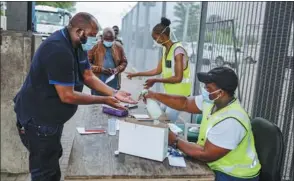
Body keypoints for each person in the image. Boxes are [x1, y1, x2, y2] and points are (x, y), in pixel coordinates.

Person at [13, 12, 136, 181]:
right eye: (92, 36)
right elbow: (67, 96)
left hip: (51, 119)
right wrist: (104, 99)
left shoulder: (77, 45)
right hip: (38, 120)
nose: (95, 40)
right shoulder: (58, 49)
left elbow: (88, 76)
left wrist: (114, 92)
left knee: (51, 162)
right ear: (79, 31)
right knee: (45, 172)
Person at [142, 67, 261, 181]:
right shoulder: (213, 101)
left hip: (233, 175)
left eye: (208, 88)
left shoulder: (232, 120)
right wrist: (155, 95)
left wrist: (174, 140)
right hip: (214, 165)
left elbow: (205, 154)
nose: (205, 89)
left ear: (221, 92)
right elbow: (185, 103)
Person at [126, 17, 192, 123]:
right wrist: (136, 74)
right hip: (169, 93)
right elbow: (157, 70)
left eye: (154, 37)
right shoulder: (165, 49)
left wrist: (156, 80)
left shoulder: (178, 51)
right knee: (159, 117)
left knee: (166, 123)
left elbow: (178, 78)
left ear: (162, 36)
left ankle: (173, 139)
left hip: (179, 95)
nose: (154, 41)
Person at [88, 27, 127, 95]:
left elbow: (124, 62)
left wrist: (117, 69)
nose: (109, 42)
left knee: (112, 101)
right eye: (107, 39)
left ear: (114, 38)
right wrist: (101, 69)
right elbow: (87, 64)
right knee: (98, 102)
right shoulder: (94, 46)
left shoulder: (118, 47)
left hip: (113, 82)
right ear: (102, 37)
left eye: (111, 40)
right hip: (98, 81)